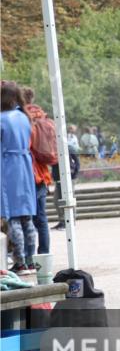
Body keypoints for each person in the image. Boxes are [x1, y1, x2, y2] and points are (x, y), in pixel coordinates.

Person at [1, 81, 38, 275]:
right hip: (25, 165)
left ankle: (20, 261)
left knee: (13, 216)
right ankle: (31, 260)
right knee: (27, 217)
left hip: (8, 167)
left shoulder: (2, 119)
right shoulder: (24, 117)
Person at [20, 87, 53, 259]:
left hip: (29, 173)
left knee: (28, 217)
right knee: (42, 218)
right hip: (42, 174)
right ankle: (44, 253)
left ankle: (28, 256)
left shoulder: (24, 118)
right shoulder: (41, 116)